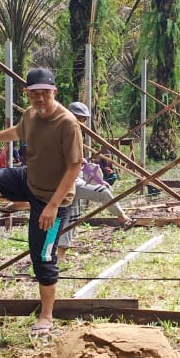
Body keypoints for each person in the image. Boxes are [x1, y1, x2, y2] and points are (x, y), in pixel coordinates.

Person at [0, 68, 82, 339]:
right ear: (28, 94)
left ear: (54, 92)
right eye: (35, 94)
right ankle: (24, 204)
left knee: (43, 257)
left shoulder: (67, 123)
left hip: (54, 200)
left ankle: (46, 315)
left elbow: (74, 166)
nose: (40, 98)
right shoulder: (30, 114)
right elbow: (19, 132)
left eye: (45, 93)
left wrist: (52, 206)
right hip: (28, 182)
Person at [56, 102, 137, 260]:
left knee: (71, 218)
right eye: (79, 119)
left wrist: (98, 180)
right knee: (104, 193)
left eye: (84, 119)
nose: (82, 123)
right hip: (66, 182)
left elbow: (83, 163)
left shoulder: (75, 134)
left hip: (75, 180)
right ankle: (123, 219)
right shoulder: (61, 134)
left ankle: (59, 257)